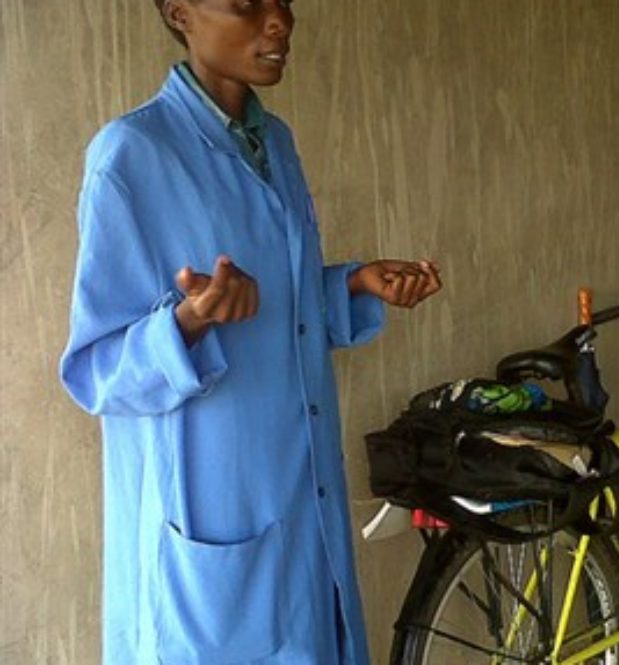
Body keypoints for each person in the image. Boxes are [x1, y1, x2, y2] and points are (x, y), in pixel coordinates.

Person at [59, 1, 441, 662]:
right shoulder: (130, 155)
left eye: (282, 1)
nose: (278, 21)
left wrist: (350, 283)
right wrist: (187, 322)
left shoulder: (277, 145)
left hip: (301, 496)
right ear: (179, 11)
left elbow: (280, 311)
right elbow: (95, 370)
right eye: (246, 3)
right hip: (212, 524)